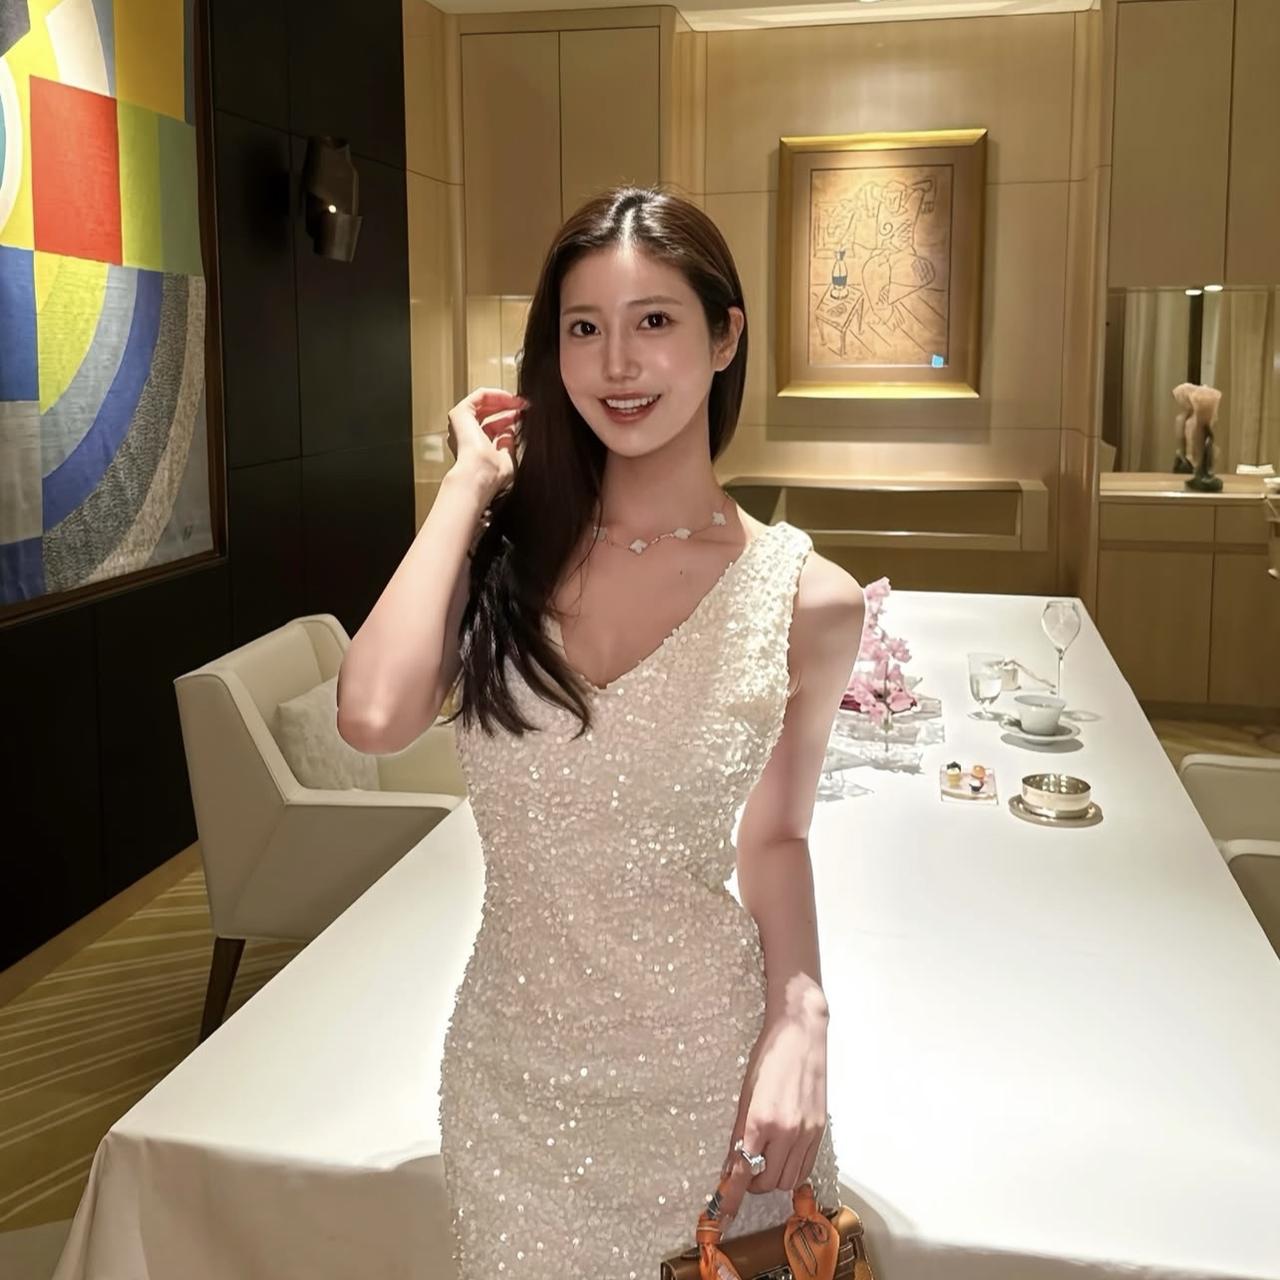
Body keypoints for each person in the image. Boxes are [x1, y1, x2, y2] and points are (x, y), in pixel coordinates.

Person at [336, 184, 867, 1278]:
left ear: (724, 337)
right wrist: (466, 487)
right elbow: (373, 715)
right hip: (512, 1089)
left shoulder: (806, 599)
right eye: (584, 328)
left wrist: (801, 1015)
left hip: (711, 1087)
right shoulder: (502, 558)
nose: (616, 363)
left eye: (653, 321)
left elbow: (775, 838)